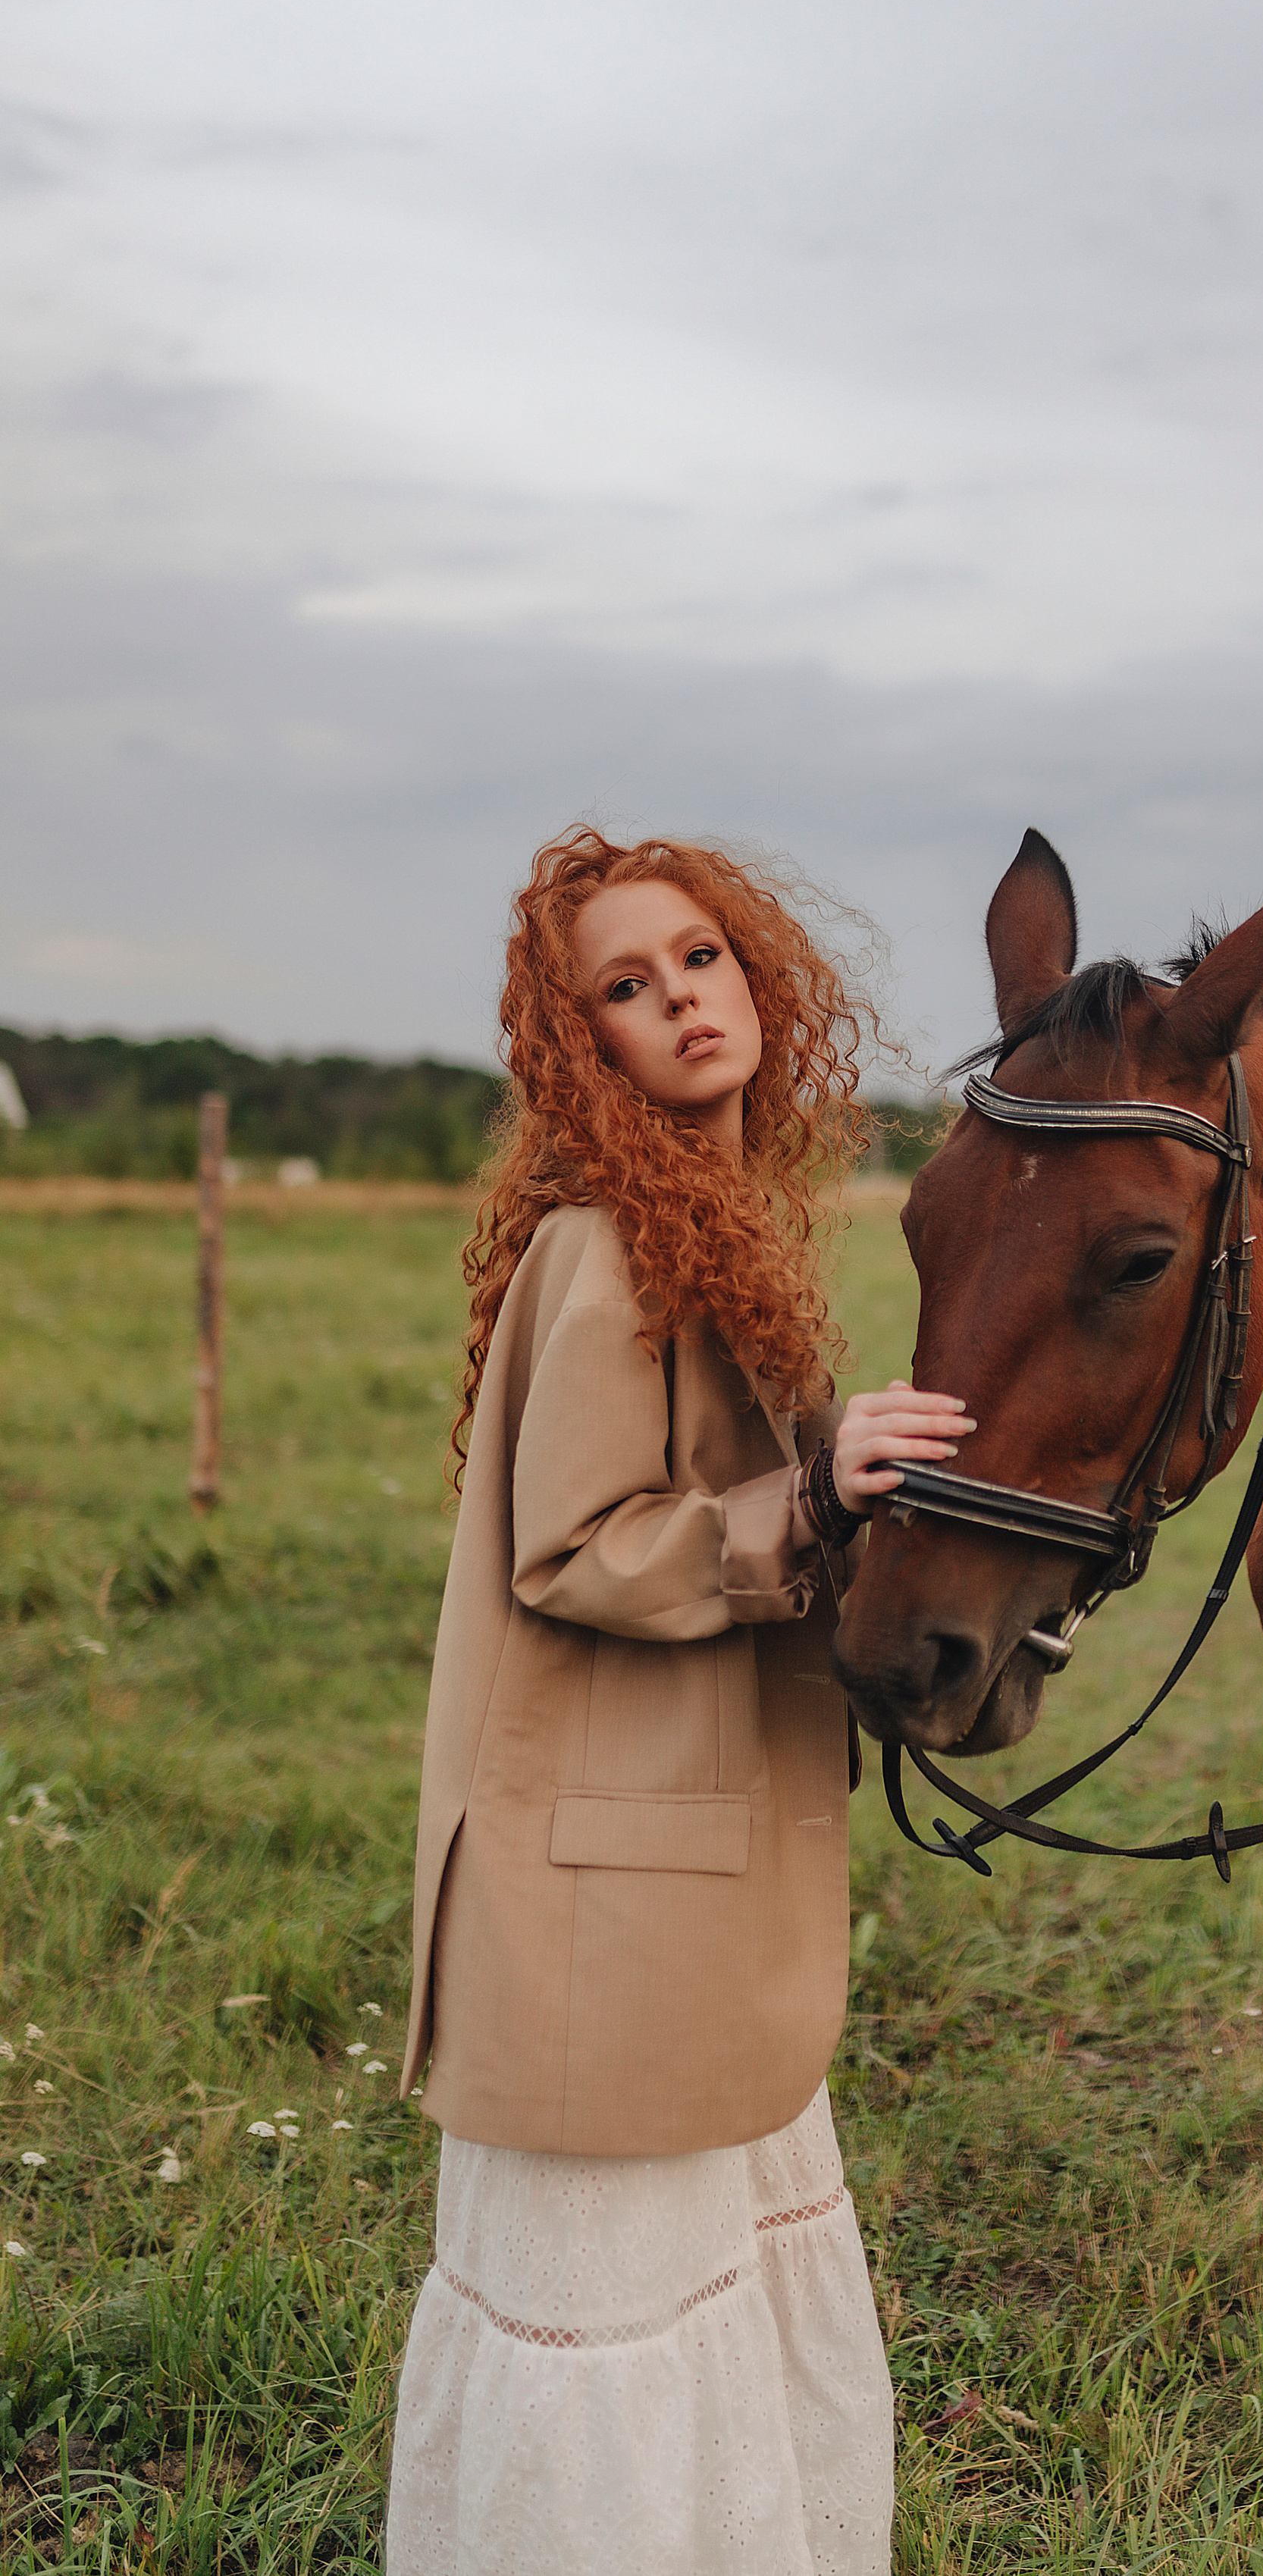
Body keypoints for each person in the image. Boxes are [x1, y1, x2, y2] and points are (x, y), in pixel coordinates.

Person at [386, 828, 970, 2576]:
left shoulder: (716, 1221)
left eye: (699, 959)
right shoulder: (608, 1243)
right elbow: (572, 1547)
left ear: (756, 977)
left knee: (708, 2279)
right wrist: (820, 1487)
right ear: (589, 1049)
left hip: (685, 1868)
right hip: (605, 1889)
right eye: (624, 989)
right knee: (608, 2319)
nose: (679, 1002)